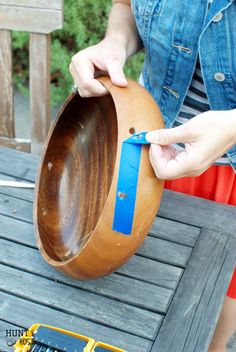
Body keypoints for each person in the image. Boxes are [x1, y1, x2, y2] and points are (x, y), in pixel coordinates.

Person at [69, 0, 236, 350]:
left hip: (229, 175)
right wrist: (115, 42)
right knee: (129, 295)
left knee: (208, 307)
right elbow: (127, 5)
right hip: (141, 150)